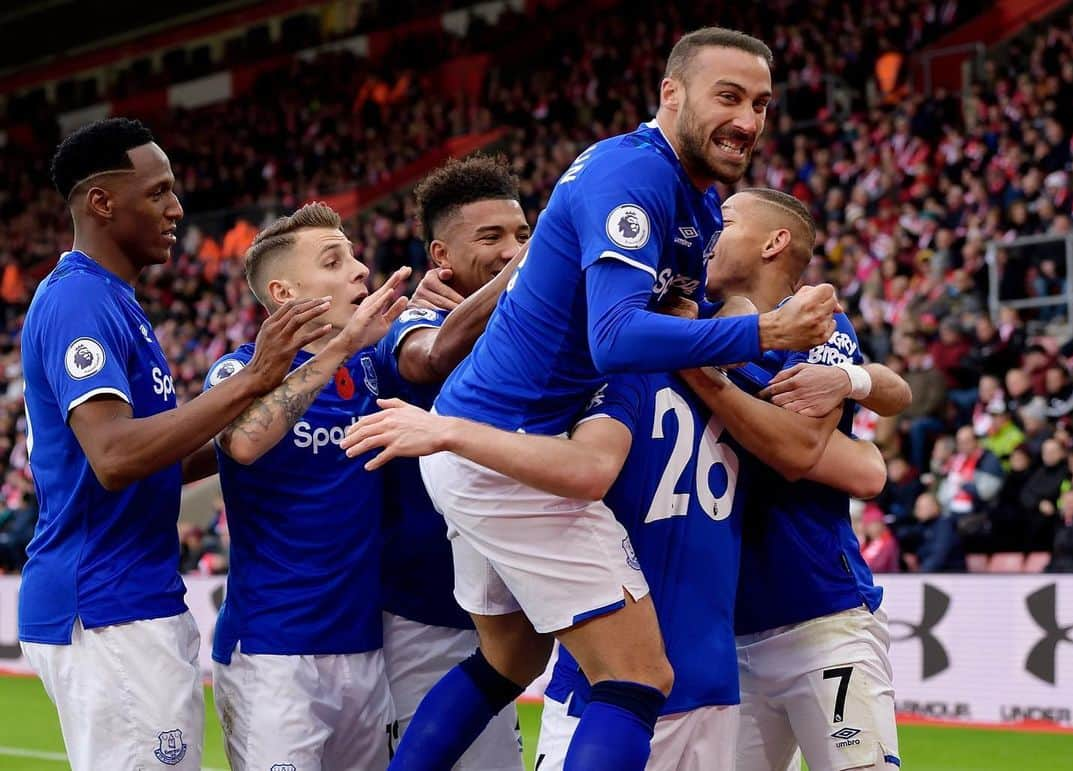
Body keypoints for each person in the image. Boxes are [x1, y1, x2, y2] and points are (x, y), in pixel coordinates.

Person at [387, 28, 838, 771]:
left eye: (761, 104)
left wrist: (829, 365)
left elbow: (680, 317)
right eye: (728, 96)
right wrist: (766, 329)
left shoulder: (692, 201)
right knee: (637, 675)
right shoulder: (632, 173)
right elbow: (617, 336)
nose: (749, 120)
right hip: (512, 447)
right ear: (671, 94)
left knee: (510, 657)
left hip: (478, 436)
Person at [344, 188, 901, 771]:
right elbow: (857, 464)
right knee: (516, 661)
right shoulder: (679, 351)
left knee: (513, 661)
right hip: (709, 657)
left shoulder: (702, 349)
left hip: (762, 630)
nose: (707, 238)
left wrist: (856, 380)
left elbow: (854, 461)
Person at [18, 117, 326, 771]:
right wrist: (253, 378)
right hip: (106, 601)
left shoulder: (115, 301)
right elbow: (115, 455)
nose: (176, 208)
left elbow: (159, 455)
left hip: (128, 594)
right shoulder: (79, 300)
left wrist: (269, 408)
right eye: (158, 191)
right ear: (101, 201)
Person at [684, 191, 907, 770]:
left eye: (725, 221)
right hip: (725, 636)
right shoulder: (692, 325)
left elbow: (798, 447)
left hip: (821, 621)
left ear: (773, 242)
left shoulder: (819, 323)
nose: (710, 230)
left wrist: (706, 377)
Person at [203, 203, 411, 770]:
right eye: (334, 260)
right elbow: (243, 442)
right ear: (285, 292)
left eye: (354, 255)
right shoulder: (237, 371)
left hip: (366, 650)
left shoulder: (372, 368)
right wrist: (341, 345)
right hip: (273, 655)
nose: (360, 270)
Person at [377, 156, 530, 768]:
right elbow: (429, 358)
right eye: (490, 237)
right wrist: (530, 269)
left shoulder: (525, 325)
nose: (510, 249)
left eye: (521, 235)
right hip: (425, 614)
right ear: (440, 255)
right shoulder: (415, 318)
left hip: (505, 611)